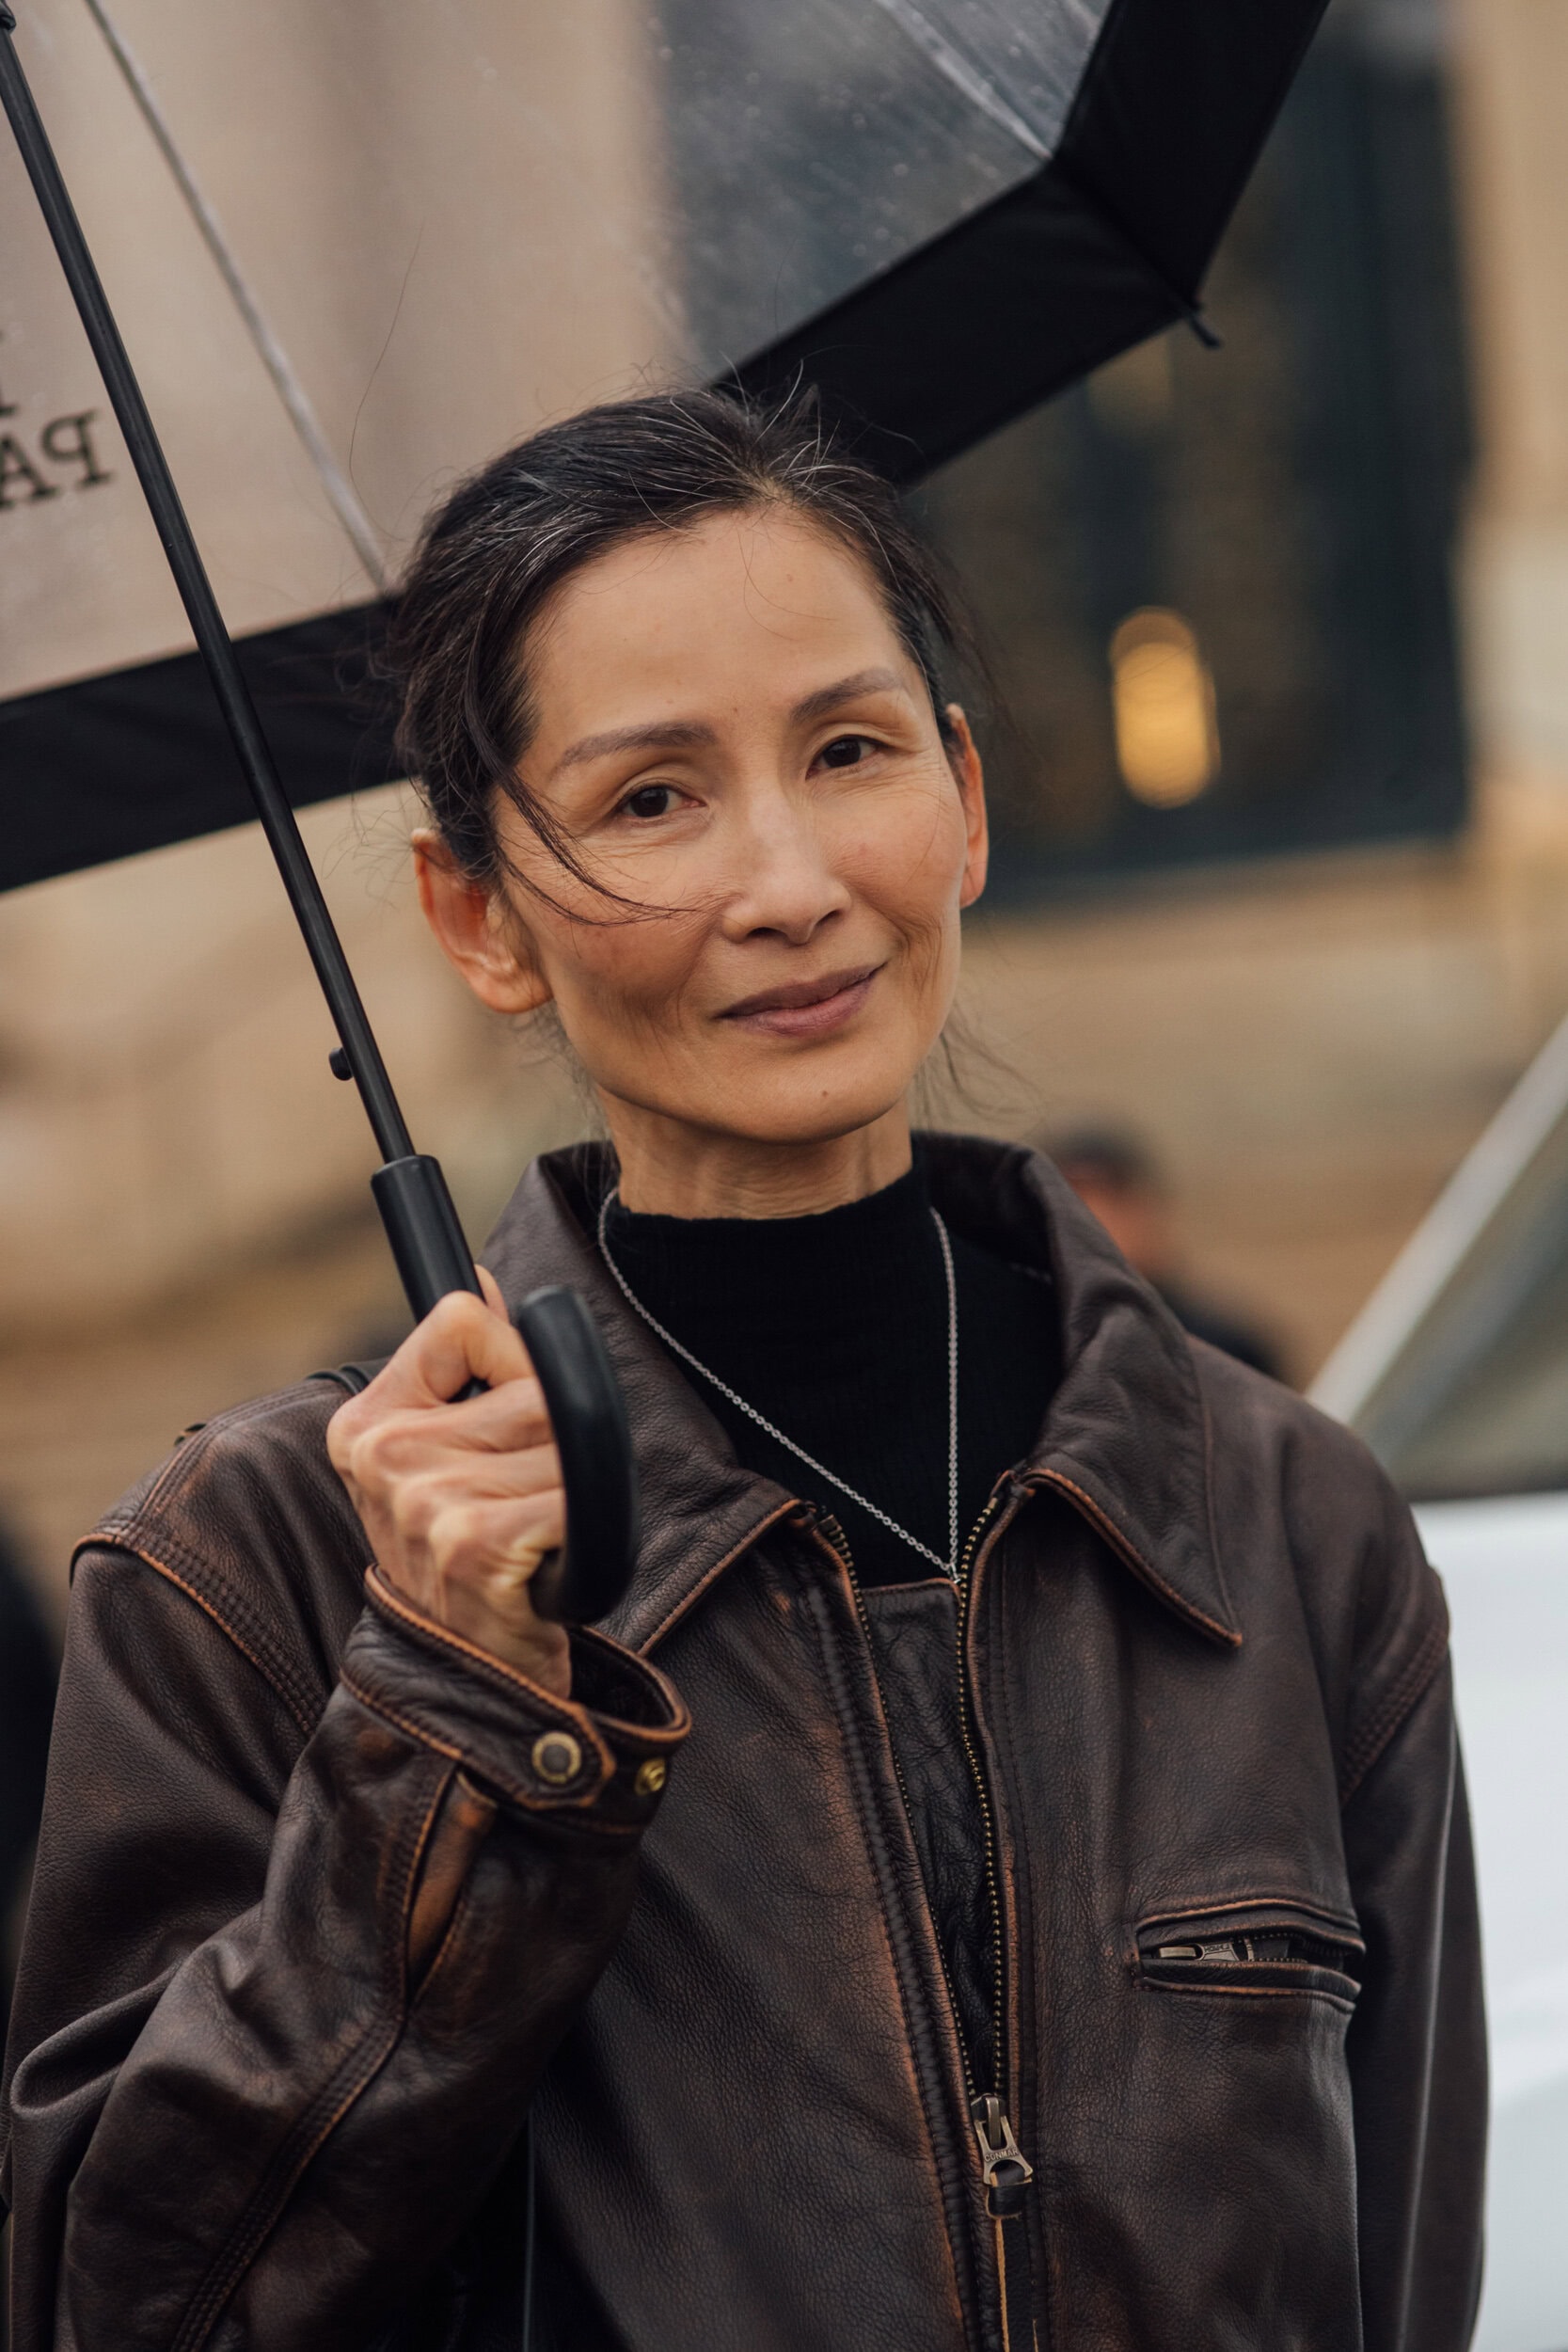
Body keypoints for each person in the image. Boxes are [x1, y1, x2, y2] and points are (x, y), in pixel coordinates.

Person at [1, 392, 1483, 2352]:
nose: (786, 881)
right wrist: (449, 1728)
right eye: (648, 800)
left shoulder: (1280, 1521)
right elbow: (134, 2308)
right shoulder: (255, 1564)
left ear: (959, 798)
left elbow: (1392, 2280)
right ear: (475, 914)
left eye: (847, 750)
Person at [1048, 1125, 1287, 1380]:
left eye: (1112, 1202)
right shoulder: (1036, 1339)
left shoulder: (1226, 1346)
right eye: (1074, 1201)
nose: (1095, 1222)